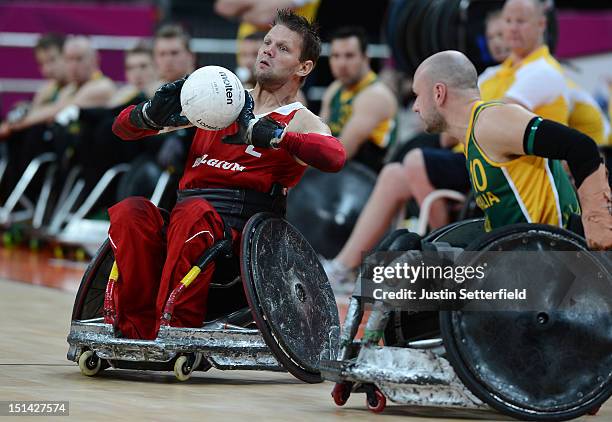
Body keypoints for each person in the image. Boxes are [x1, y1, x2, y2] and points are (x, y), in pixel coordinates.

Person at [109, 9, 346, 340]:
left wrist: (276, 137)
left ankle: (177, 328)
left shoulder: (298, 119)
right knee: (132, 212)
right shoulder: (222, 100)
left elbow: (335, 157)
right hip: (185, 216)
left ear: (303, 67)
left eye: (283, 48)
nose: (267, 50)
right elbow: (121, 129)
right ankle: (133, 328)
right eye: (267, 42)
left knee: (193, 217)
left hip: (238, 236)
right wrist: (147, 114)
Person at [321, 13, 508, 289]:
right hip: (461, 153)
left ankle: (441, 251)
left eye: (349, 55)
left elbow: (338, 150)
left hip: (487, 158)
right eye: (493, 36)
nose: (499, 42)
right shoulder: (492, 75)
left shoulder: (533, 74)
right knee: (397, 173)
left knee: (414, 160)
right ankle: (344, 267)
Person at [412, 50, 611, 249]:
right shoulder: (472, 138)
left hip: (554, 260)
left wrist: (597, 220)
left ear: (439, 93)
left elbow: (580, 146)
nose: (415, 107)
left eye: (418, 95)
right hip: (520, 259)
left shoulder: (492, 121)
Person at [319, 26, 397, 173]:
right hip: (340, 176)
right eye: (336, 56)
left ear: (365, 57)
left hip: (367, 179)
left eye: (349, 56)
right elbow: (319, 135)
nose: (341, 64)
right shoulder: (335, 89)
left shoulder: (375, 95)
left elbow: (341, 153)